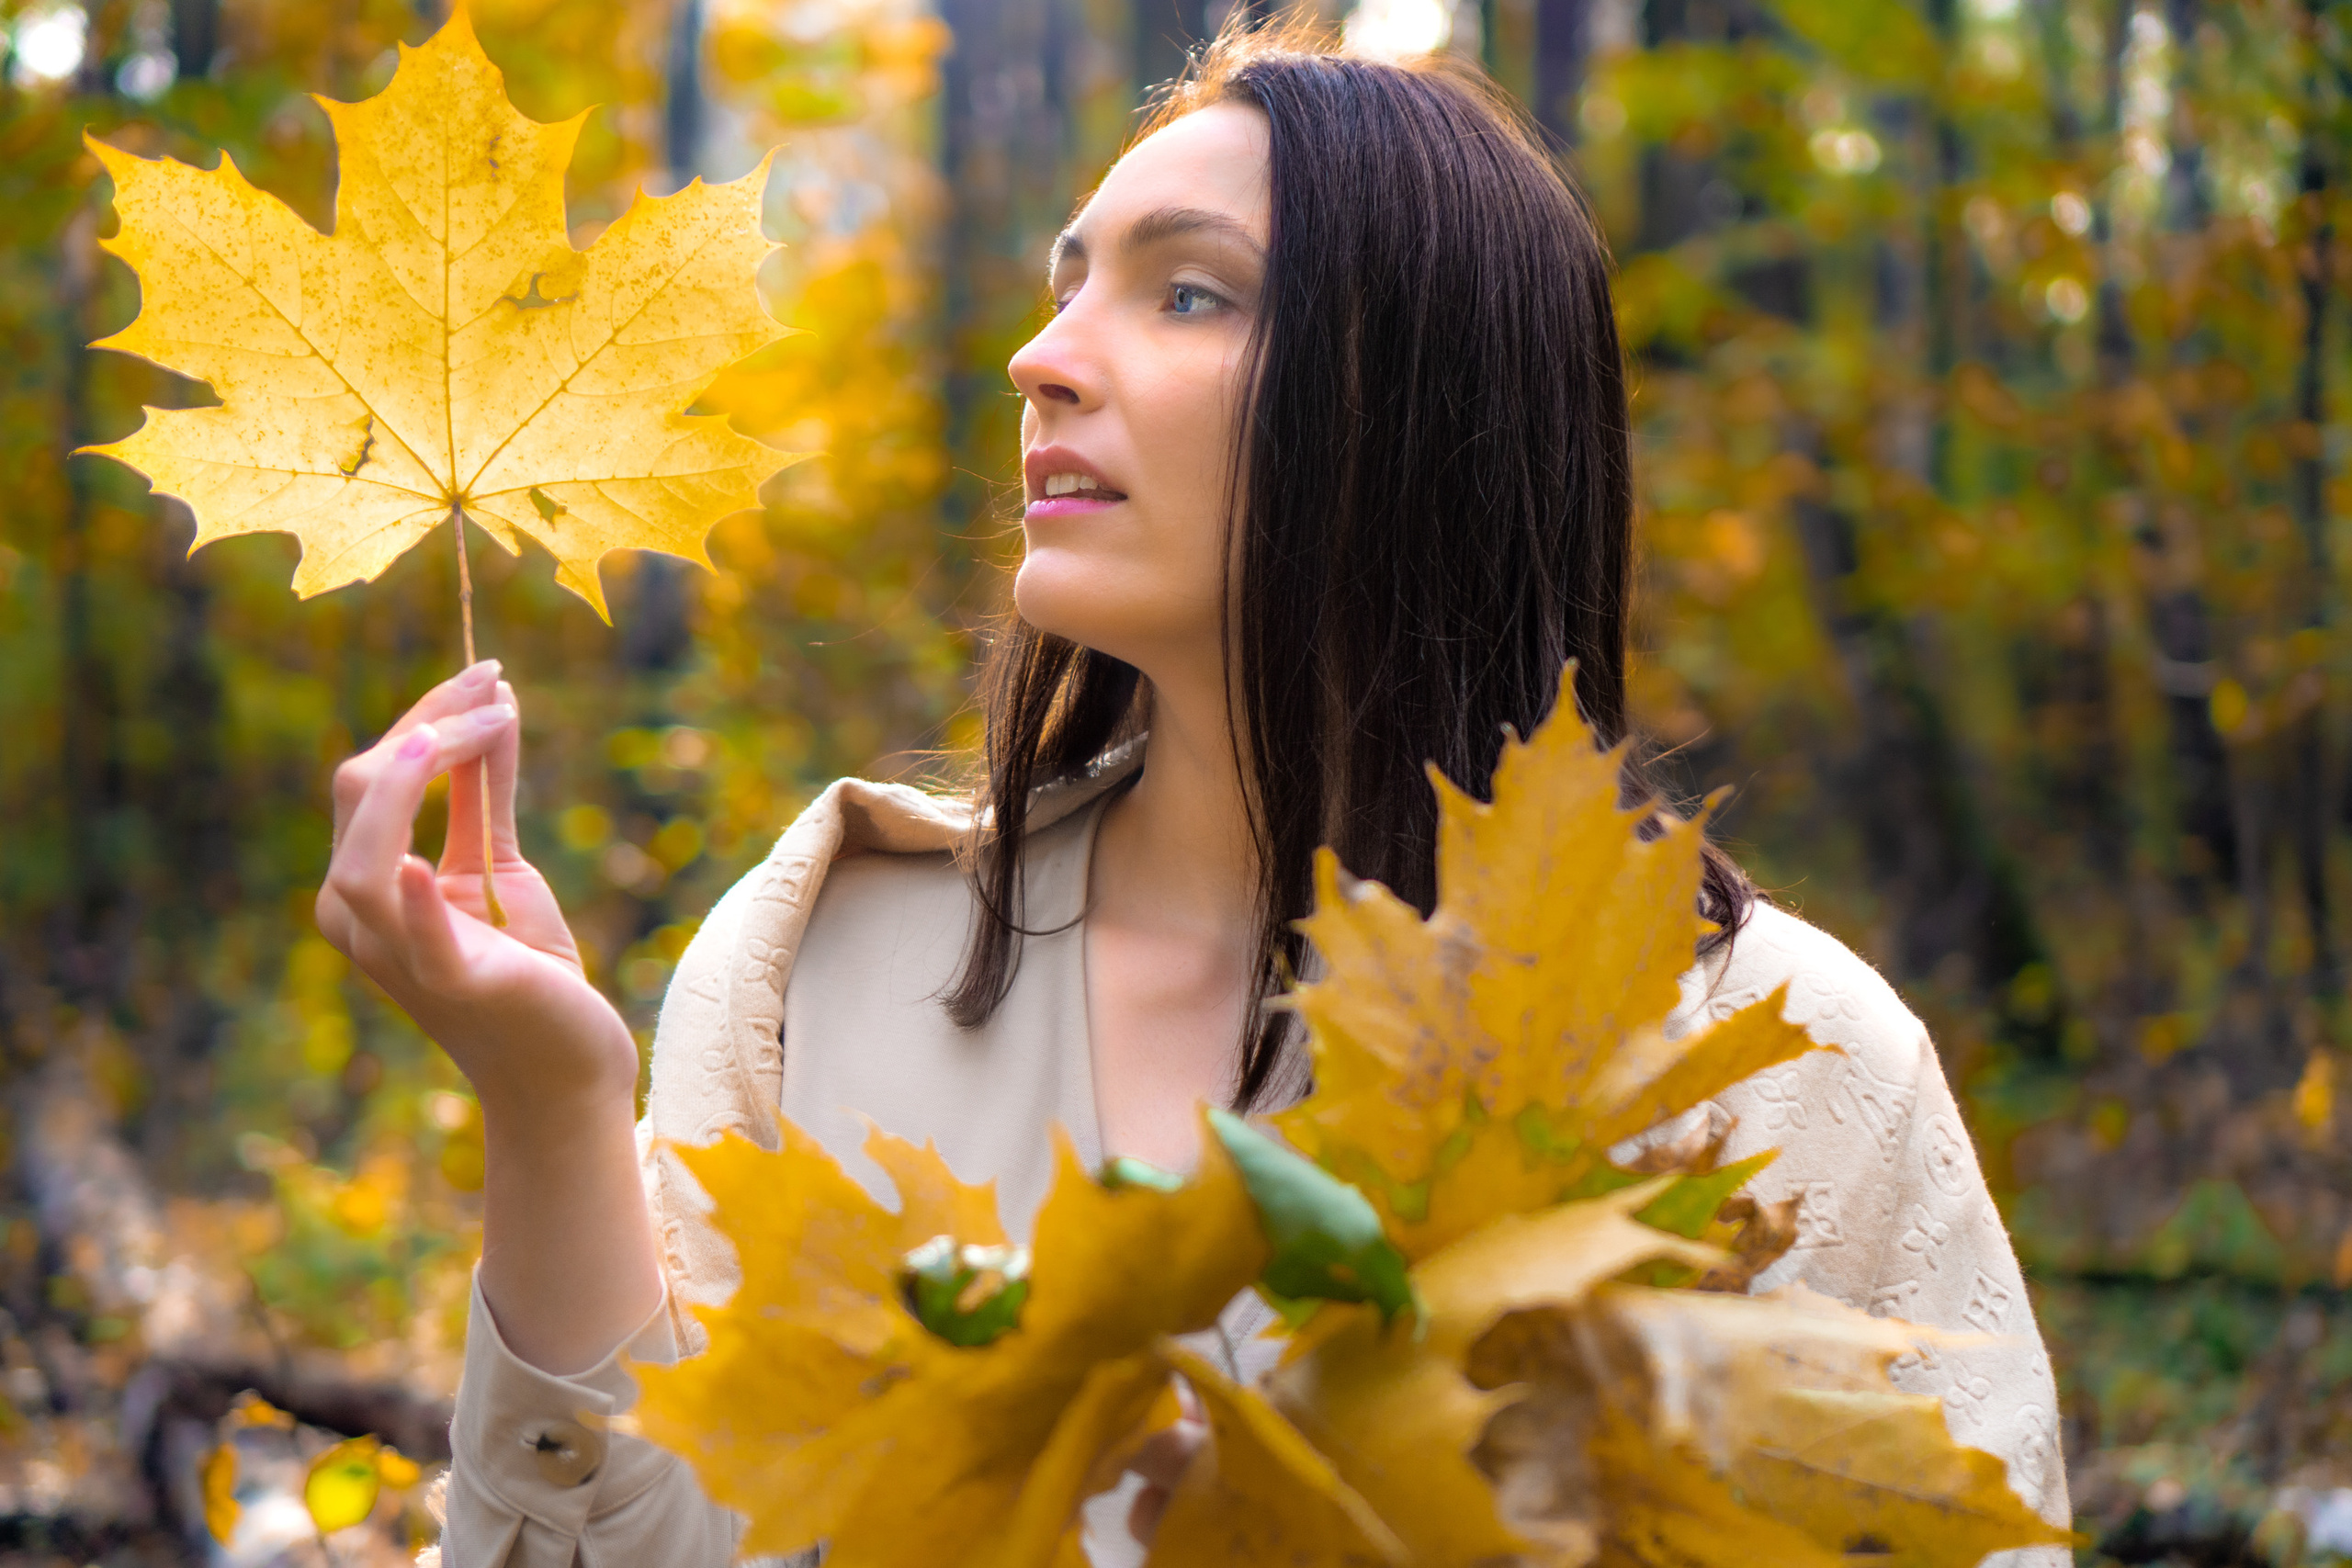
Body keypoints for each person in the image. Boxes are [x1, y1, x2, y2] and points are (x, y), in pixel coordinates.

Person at [316, 25, 2071, 1568]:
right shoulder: (823, 970)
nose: (1044, 355)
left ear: (1416, 407)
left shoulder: (1773, 1059)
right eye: (1068, 277)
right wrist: (555, 1113)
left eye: (1188, 290)